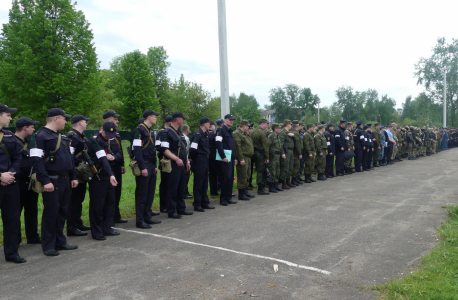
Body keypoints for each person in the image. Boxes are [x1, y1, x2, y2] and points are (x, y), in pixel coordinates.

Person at [30, 108, 78, 256]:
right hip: (52, 180)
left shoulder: (61, 136)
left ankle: (60, 241)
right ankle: (48, 245)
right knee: (51, 213)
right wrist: (45, 181)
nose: (66, 121)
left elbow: (70, 158)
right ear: (56, 119)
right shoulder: (39, 136)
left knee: (62, 212)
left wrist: (74, 176)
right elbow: (36, 161)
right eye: (64, 118)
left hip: (66, 179)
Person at [0, 105, 26, 263]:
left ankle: (12, 253)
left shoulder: (9, 135)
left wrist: (10, 174)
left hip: (10, 184)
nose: (10, 118)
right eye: (8, 115)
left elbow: (18, 158)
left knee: (12, 219)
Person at [87, 122, 119, 240]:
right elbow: (102, 159)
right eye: (107, 134)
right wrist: (111, 174)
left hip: (109, 174)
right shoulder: (95, 140)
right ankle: (96, 231)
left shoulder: (110, 139)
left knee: (110, 202)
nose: (109, 136)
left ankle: (107, 227)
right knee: (97, 205)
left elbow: (118, 153)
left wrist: (114, 157)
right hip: (98, 176)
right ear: (101, 129)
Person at [131, 109, 162, 228]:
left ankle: (147, 216)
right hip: (143, 164)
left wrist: (154, 166)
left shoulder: (150, 130)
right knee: (141, 194)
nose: (156, 118)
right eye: (155, 116)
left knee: (150, 193)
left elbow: (152, 150)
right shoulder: (139, 129)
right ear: (149, 117)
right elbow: (137, 150)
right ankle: (140, 220)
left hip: (151, 164)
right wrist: (142, 167)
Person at [160, 111, 194, 217]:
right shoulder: (166, 132)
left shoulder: (179, 133)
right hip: (172, 164)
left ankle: (181, 208)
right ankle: (172, 210)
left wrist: (187, 161)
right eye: (183, 119)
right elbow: (164, 149)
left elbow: (183, 149)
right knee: (172, 188)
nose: (183, 121)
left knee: (181, 187)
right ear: (178, 119)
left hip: (181, 164)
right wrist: (176, 159)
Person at [14, 117, 41, 245]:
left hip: (31, 180)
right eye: (32, 126)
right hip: (17, 181)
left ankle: (33, 236)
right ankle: (15, 239)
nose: (33, 129)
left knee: (32, 210)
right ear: (25, 128)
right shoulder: (12, 141)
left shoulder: (31, 142)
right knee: (15, 212)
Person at [66, 115, 91, 236]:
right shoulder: (72, 136)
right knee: (74, 201)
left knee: (79, 199)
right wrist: (80, 164)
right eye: (85, 122)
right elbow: (70, 156)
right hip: (76, 171)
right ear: (80, 123)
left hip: (82, 172)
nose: (87, 124)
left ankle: (77, 221)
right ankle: (71, 227)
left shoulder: (81, 136)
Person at [103, 110, 127, 224]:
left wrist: (122, 164)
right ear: (108, 120)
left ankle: (116, 215)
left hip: (117, 165)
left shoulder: (116, 133)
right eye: (115, 119)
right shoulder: (104, 133)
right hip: (109, 167)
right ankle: (109, 217)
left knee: (117, 192)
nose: (117, 121)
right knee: (110, 194)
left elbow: (119, 150)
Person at [189, 117, 215, 211]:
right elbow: (192, 149)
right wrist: (196, 159)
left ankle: (204, 202)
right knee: (199, 182)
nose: (210, 125)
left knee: (204, 182)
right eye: (209, 123)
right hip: (199, 160)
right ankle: (197, 203)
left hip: (205, 159)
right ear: (204, 124)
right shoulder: (198, 135)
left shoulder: (205, 135)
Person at [215, 114, 237, 206]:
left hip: (230, 158)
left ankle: (228, 197)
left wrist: (234, 158)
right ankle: (223, 199)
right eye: (229, 119)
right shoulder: (221, 130)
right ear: (225, 120)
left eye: (232, 120)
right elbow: (218, 144)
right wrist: (223, 156)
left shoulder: (230, 131)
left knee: (230, 178)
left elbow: (232, 145)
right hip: (224, 159)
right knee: (226, 178)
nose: (231, 121)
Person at [233, 120, 256, 199]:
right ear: (244, 126)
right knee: (242, 175)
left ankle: (245, 191)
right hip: (243, 157)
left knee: (247, 175)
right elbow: (238, 147)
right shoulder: (237, 134)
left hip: (248, 157)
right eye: (247, 126)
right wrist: (241, 158)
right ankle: (241, 193)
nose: (248, 128)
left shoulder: (245, 134)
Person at [251, 118, 270, 195]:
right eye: (266, 124)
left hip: (254, 152)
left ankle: (260, 187)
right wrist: (266, 156)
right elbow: (265, 145)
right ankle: (261, 188)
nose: (267, 126)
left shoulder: (253, 131)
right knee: (261, 171)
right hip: (260, 153)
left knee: (258, 170)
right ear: (262, 124)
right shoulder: (262, 132)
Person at [157, 115, 172, 213]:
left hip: (171, 159)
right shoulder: (161, 132)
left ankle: (169, 203)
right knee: (165, 183)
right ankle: (163, 205)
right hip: (165, 160)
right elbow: (158, 146)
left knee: (170, 183)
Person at [268, 123, 285, 191]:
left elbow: (280, 146)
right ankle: (271, 186)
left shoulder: (277, 136)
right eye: (278, 128)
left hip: (278, 156)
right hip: (273, 156)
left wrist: (282, 153)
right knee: (273, 171)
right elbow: (267, 146)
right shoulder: (271, 136)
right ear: (275, 129)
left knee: (277, 171)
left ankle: (276, 184)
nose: (280, 129)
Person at [208, 118, 223, 196]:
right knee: (220, 173)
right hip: (216, 155)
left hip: (210, 156)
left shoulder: (210, 134)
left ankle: (213, 191)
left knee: (212, 175)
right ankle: (221, 189)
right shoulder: (217, 133)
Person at [279, 119, 295, 188]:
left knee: (290, 167)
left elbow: (296, 141)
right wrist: (282, 153)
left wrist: (293, 136)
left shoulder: (289, 132)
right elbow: (280, 144)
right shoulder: (283, 132)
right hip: (286, 151)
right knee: (285, 167)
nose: (291, 126)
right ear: (287, 124)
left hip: (291, 151)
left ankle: (288, 182)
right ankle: (283, 183)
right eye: (290, 124)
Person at [181, 124, 193, 199]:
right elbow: (187, 150)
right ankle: (184, 192)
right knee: (186, 176)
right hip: (185, 159)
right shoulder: (186, 138)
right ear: (187, 131)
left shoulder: (179, 136)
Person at [290, 120, 303, 185]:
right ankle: (294, 180)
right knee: (296, 166)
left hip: (293, 151)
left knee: (295, 166)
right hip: (296, 152)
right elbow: (297, 144)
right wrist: (299, 153)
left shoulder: (291, 132)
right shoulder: (296, 133)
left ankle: (296, 179)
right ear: (297, 126)